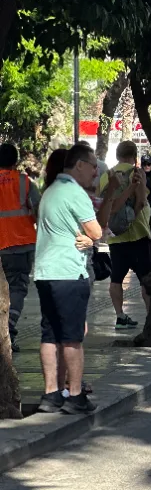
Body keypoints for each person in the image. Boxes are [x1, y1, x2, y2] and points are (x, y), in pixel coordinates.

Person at [33, 144, 117, 414]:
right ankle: (76, 396)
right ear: (78, 164)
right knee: (72, 337)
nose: (96, 171)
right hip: (69, 272)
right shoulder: (74, 193)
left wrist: (86, 236)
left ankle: (51, 394)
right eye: (93, 165)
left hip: (45, 272)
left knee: (50, 334)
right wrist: (89, 236)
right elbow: (96, 231)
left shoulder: (50, 192)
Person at [99, 141, 151, 330]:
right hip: (138, 233)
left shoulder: (107, 175)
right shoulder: (136, 173)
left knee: (116, 279)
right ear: (134, 155)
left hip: (115, 236)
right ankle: (150, 316)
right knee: (147, 278)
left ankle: (120, 316)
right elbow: (142, 201)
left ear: (117, 155)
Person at [0, 143, 42, 353]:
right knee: (17, 288)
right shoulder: (24, 182)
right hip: (21, 244)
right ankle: (8, 330)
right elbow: (40, 210)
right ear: (15, 161)